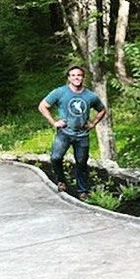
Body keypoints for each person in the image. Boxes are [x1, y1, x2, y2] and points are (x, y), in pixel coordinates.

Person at [38, 65, 106, 199]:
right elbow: (43, 106)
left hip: (82, 135)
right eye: (73, 75)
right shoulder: (60, 92)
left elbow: (102, 110)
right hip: (64, 133)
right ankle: (61, 180)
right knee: (55, 158)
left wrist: (92, 123)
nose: (76, 78)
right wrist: (54, 122)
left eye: (79, 75)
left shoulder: (90, 96)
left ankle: (82, 191)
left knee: (81, 162)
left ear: (83, 77)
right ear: (69, 78)